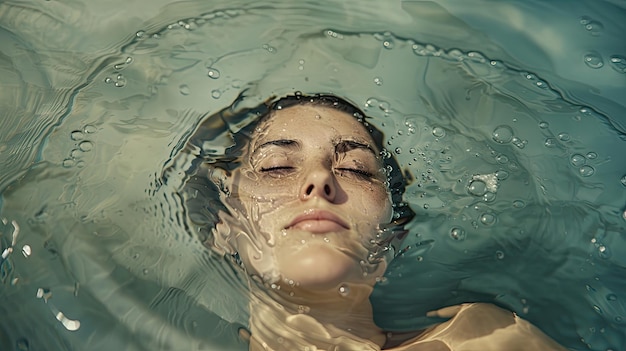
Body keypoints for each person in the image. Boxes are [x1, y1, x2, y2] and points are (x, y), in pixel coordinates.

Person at [183, 93, 568, 350]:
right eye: (278, 166)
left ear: (389, 241)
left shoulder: (484, 340)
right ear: (224, 225)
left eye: (356, 170)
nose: (320, 180)